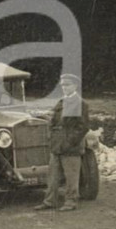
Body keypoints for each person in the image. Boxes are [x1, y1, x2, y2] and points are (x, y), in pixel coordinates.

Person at [36, 73, 90, 212]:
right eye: (63, 85)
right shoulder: (60, 102)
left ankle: (71, 202)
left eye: (67, 85)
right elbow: (52, 122)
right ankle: (50, 201)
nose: (64, 88)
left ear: (75, 86)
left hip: (71, 147)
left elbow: (82, 127)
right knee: (52, 176)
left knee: (71, 177)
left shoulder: (81, 104)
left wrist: (70, 142)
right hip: (57, 145)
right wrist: (51, 138)